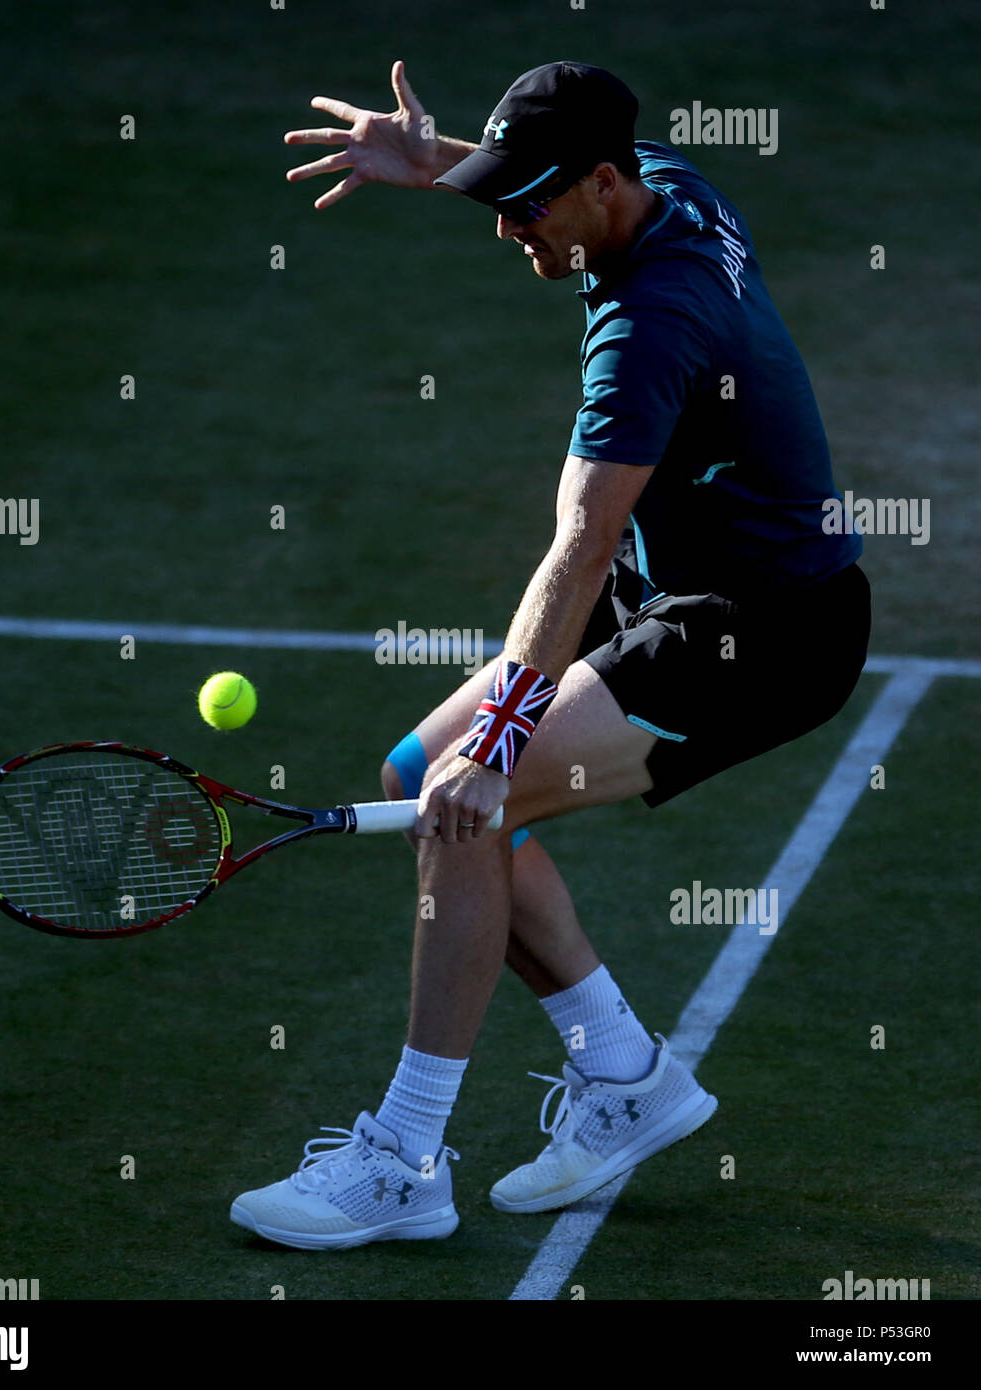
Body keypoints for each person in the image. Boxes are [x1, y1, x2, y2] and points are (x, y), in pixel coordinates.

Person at [229, 60, 870, 1250]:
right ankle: (626, 1076)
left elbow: (579, 545)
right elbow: (552, 187)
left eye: (527, 204)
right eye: (498, 197)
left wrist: (504, 741)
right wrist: (439, 163)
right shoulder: (665, 184)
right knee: (422, 777)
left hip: (762, 634)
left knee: (470, 799)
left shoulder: (649, 327)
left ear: (603, 181)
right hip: (686, 592)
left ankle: (406, 1159)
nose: (508, 227)